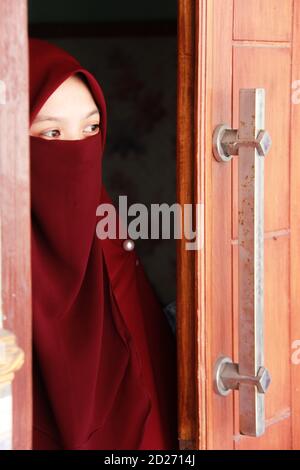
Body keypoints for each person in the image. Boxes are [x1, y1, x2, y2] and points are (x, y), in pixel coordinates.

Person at [29, 38, 178, 450]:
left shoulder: (109, 241)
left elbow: (151, 391)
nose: (77, 149)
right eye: (52, 132)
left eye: (91, 128)